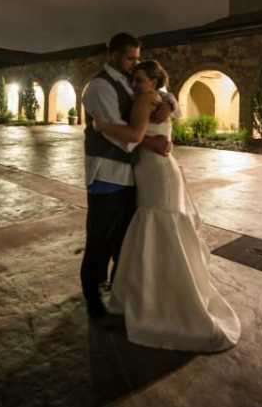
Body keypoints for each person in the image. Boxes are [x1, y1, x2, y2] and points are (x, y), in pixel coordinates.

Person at [94, 60, 241, 353]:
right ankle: (168, 293)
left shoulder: (147, 99)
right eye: (133, 80)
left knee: (158, 227)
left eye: (139, 79)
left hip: (155, 172)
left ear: (152, 81)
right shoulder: (160, 98)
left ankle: (159, 301)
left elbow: (134, 136)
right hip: (162, 168)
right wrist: (160, 124)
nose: (135, 85)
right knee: (163, 227)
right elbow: (153, 130)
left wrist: (102, 126)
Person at [80, 33, 175, 320]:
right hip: (107, 173)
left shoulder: (128, 80)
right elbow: (122, 133)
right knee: (99, 240)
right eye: (129, 58)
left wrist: (169, 104)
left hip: (132, 175)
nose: (134, 65)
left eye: (136, 58)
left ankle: (118, 291)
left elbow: (160, 90)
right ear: (112, 54)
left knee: (124, 240)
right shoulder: (99, 86)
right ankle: (92, 297)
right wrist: (152, 142)